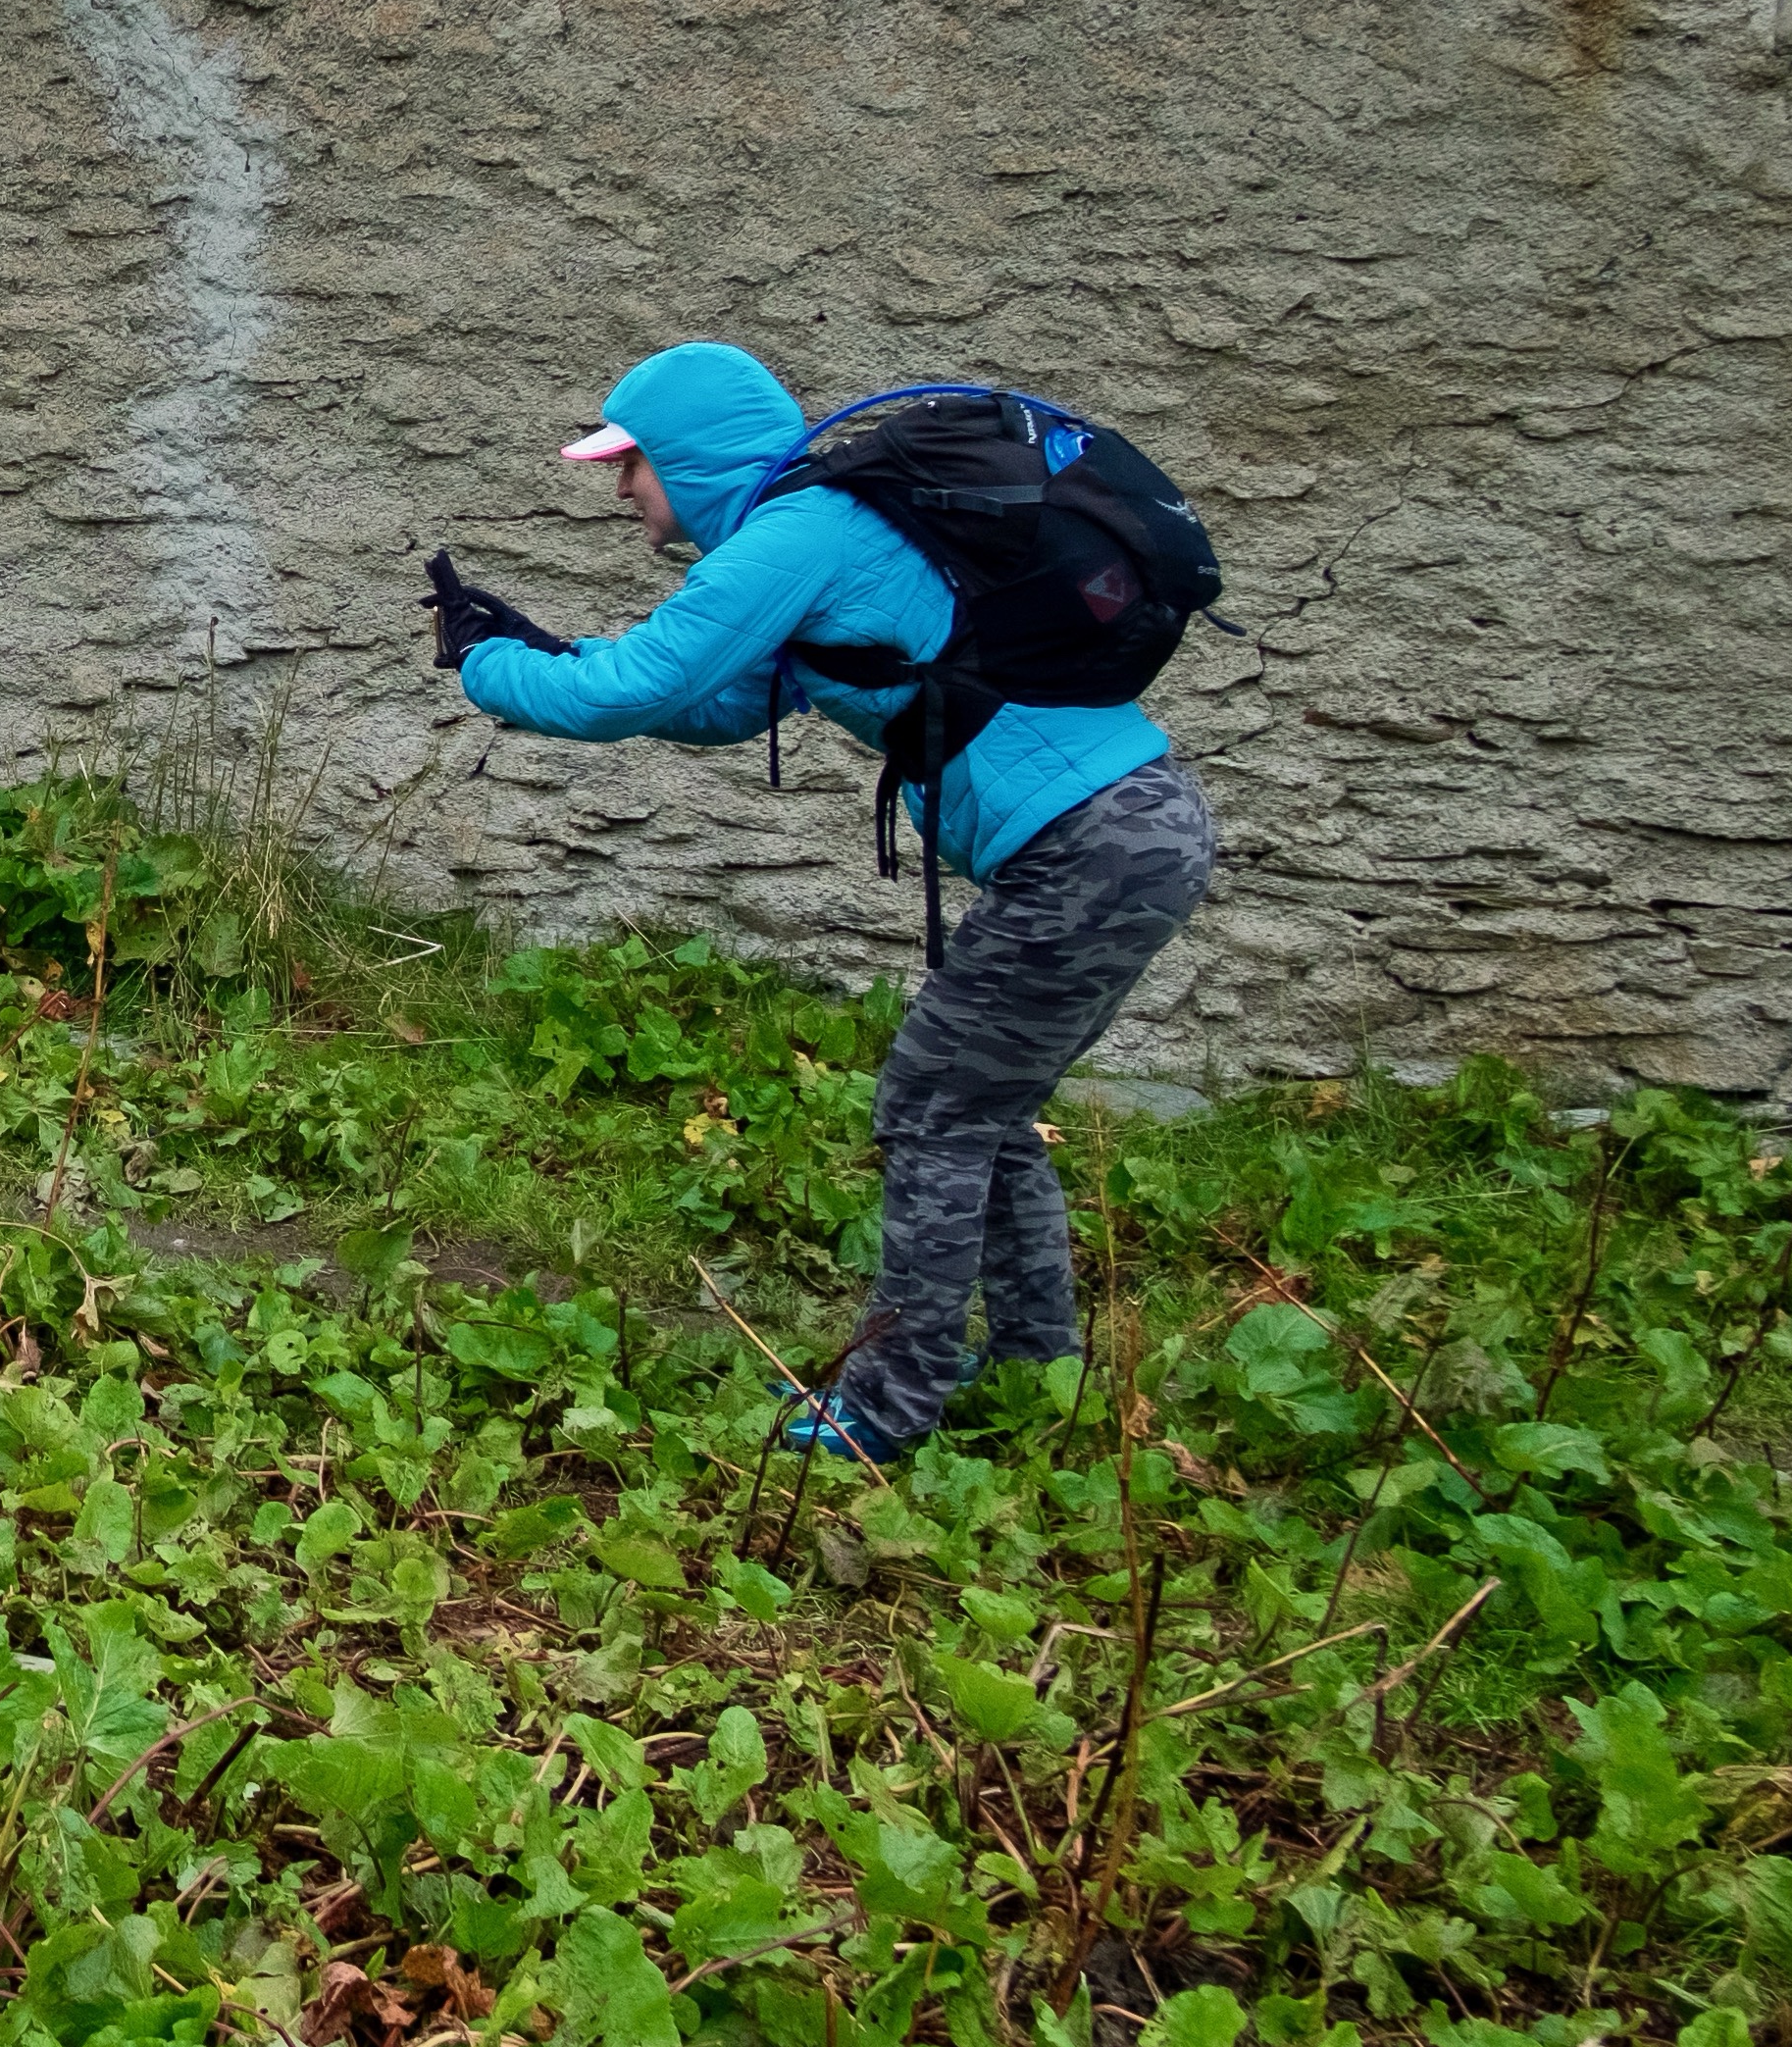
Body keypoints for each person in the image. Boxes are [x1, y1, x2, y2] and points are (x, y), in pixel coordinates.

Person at [435, 341, 1218, 1465]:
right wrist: (541, 654)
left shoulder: (798, 533)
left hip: (1091, 846)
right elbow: (717, 705)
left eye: (631, 464)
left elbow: (634, 690)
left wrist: (484, 665)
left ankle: (892, 1402)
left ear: (691, 458)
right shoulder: (815, 535)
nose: (620, 490)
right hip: (1129, 835)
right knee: (979, 1106)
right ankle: (1034, 1368)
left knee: (933, 1107)